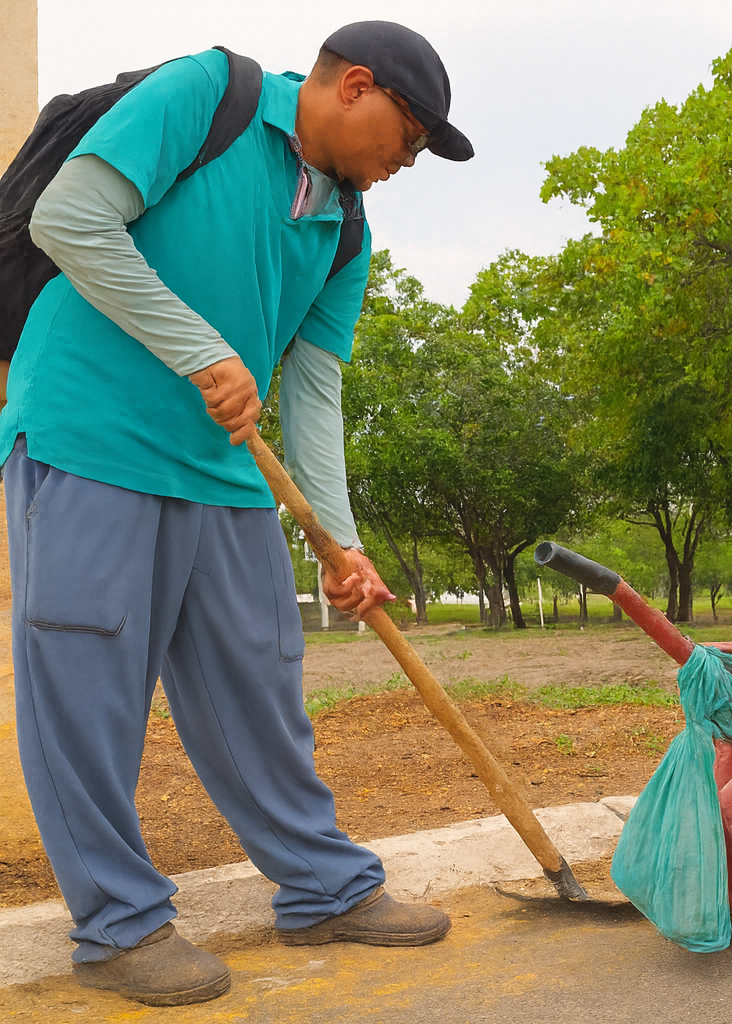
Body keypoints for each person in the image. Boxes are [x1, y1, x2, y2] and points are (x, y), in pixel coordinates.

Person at [0, 22, 473, 1007]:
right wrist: (202, 350)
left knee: (262, 685)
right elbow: (71, 218)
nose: (404, 162)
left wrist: (337, 540)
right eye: (408, 136)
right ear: (355, 87)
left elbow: (313, 393)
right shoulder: (205, 94)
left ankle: (324, 886)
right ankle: (121, 924)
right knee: (88, 694)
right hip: (92, 438)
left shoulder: (344, 229)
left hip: (222, 472)